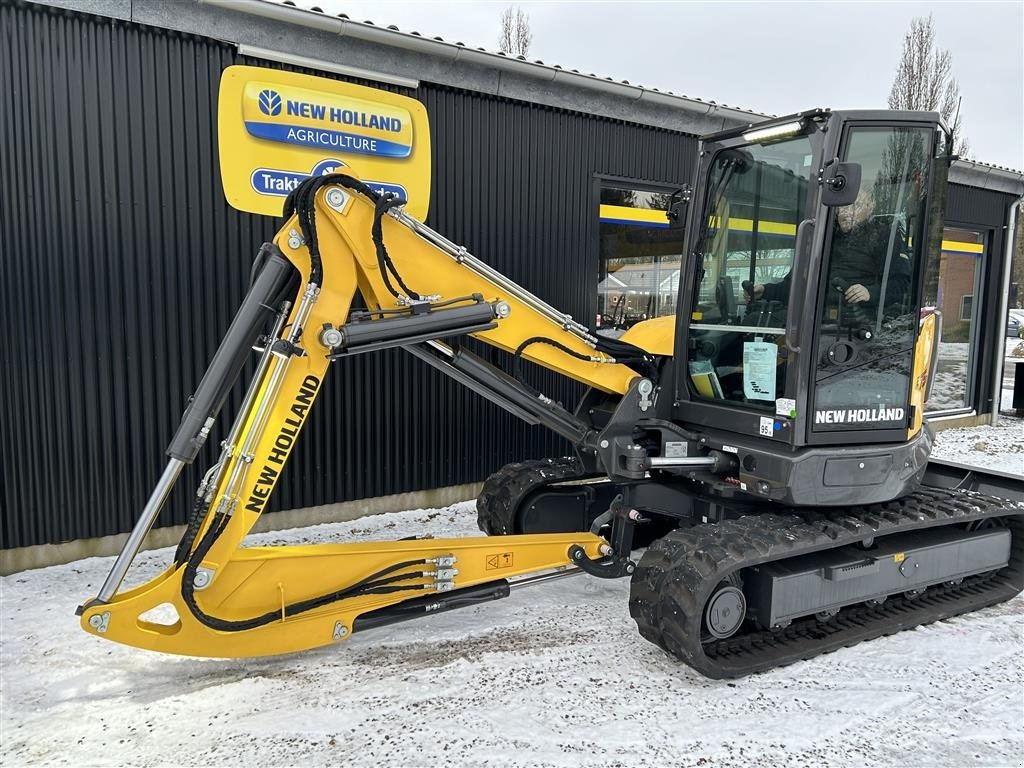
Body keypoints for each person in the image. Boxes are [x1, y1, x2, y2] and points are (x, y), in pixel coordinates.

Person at [745, 191, 911, 314]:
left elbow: (901, 284)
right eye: (843, 206)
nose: (847, 212)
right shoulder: (823, 240)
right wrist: (765, 291)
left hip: (859, 325)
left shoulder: (884, 237)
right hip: (814, 323)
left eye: (856, 206)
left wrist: (871, 293)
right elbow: (798, 286)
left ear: (870, 208)